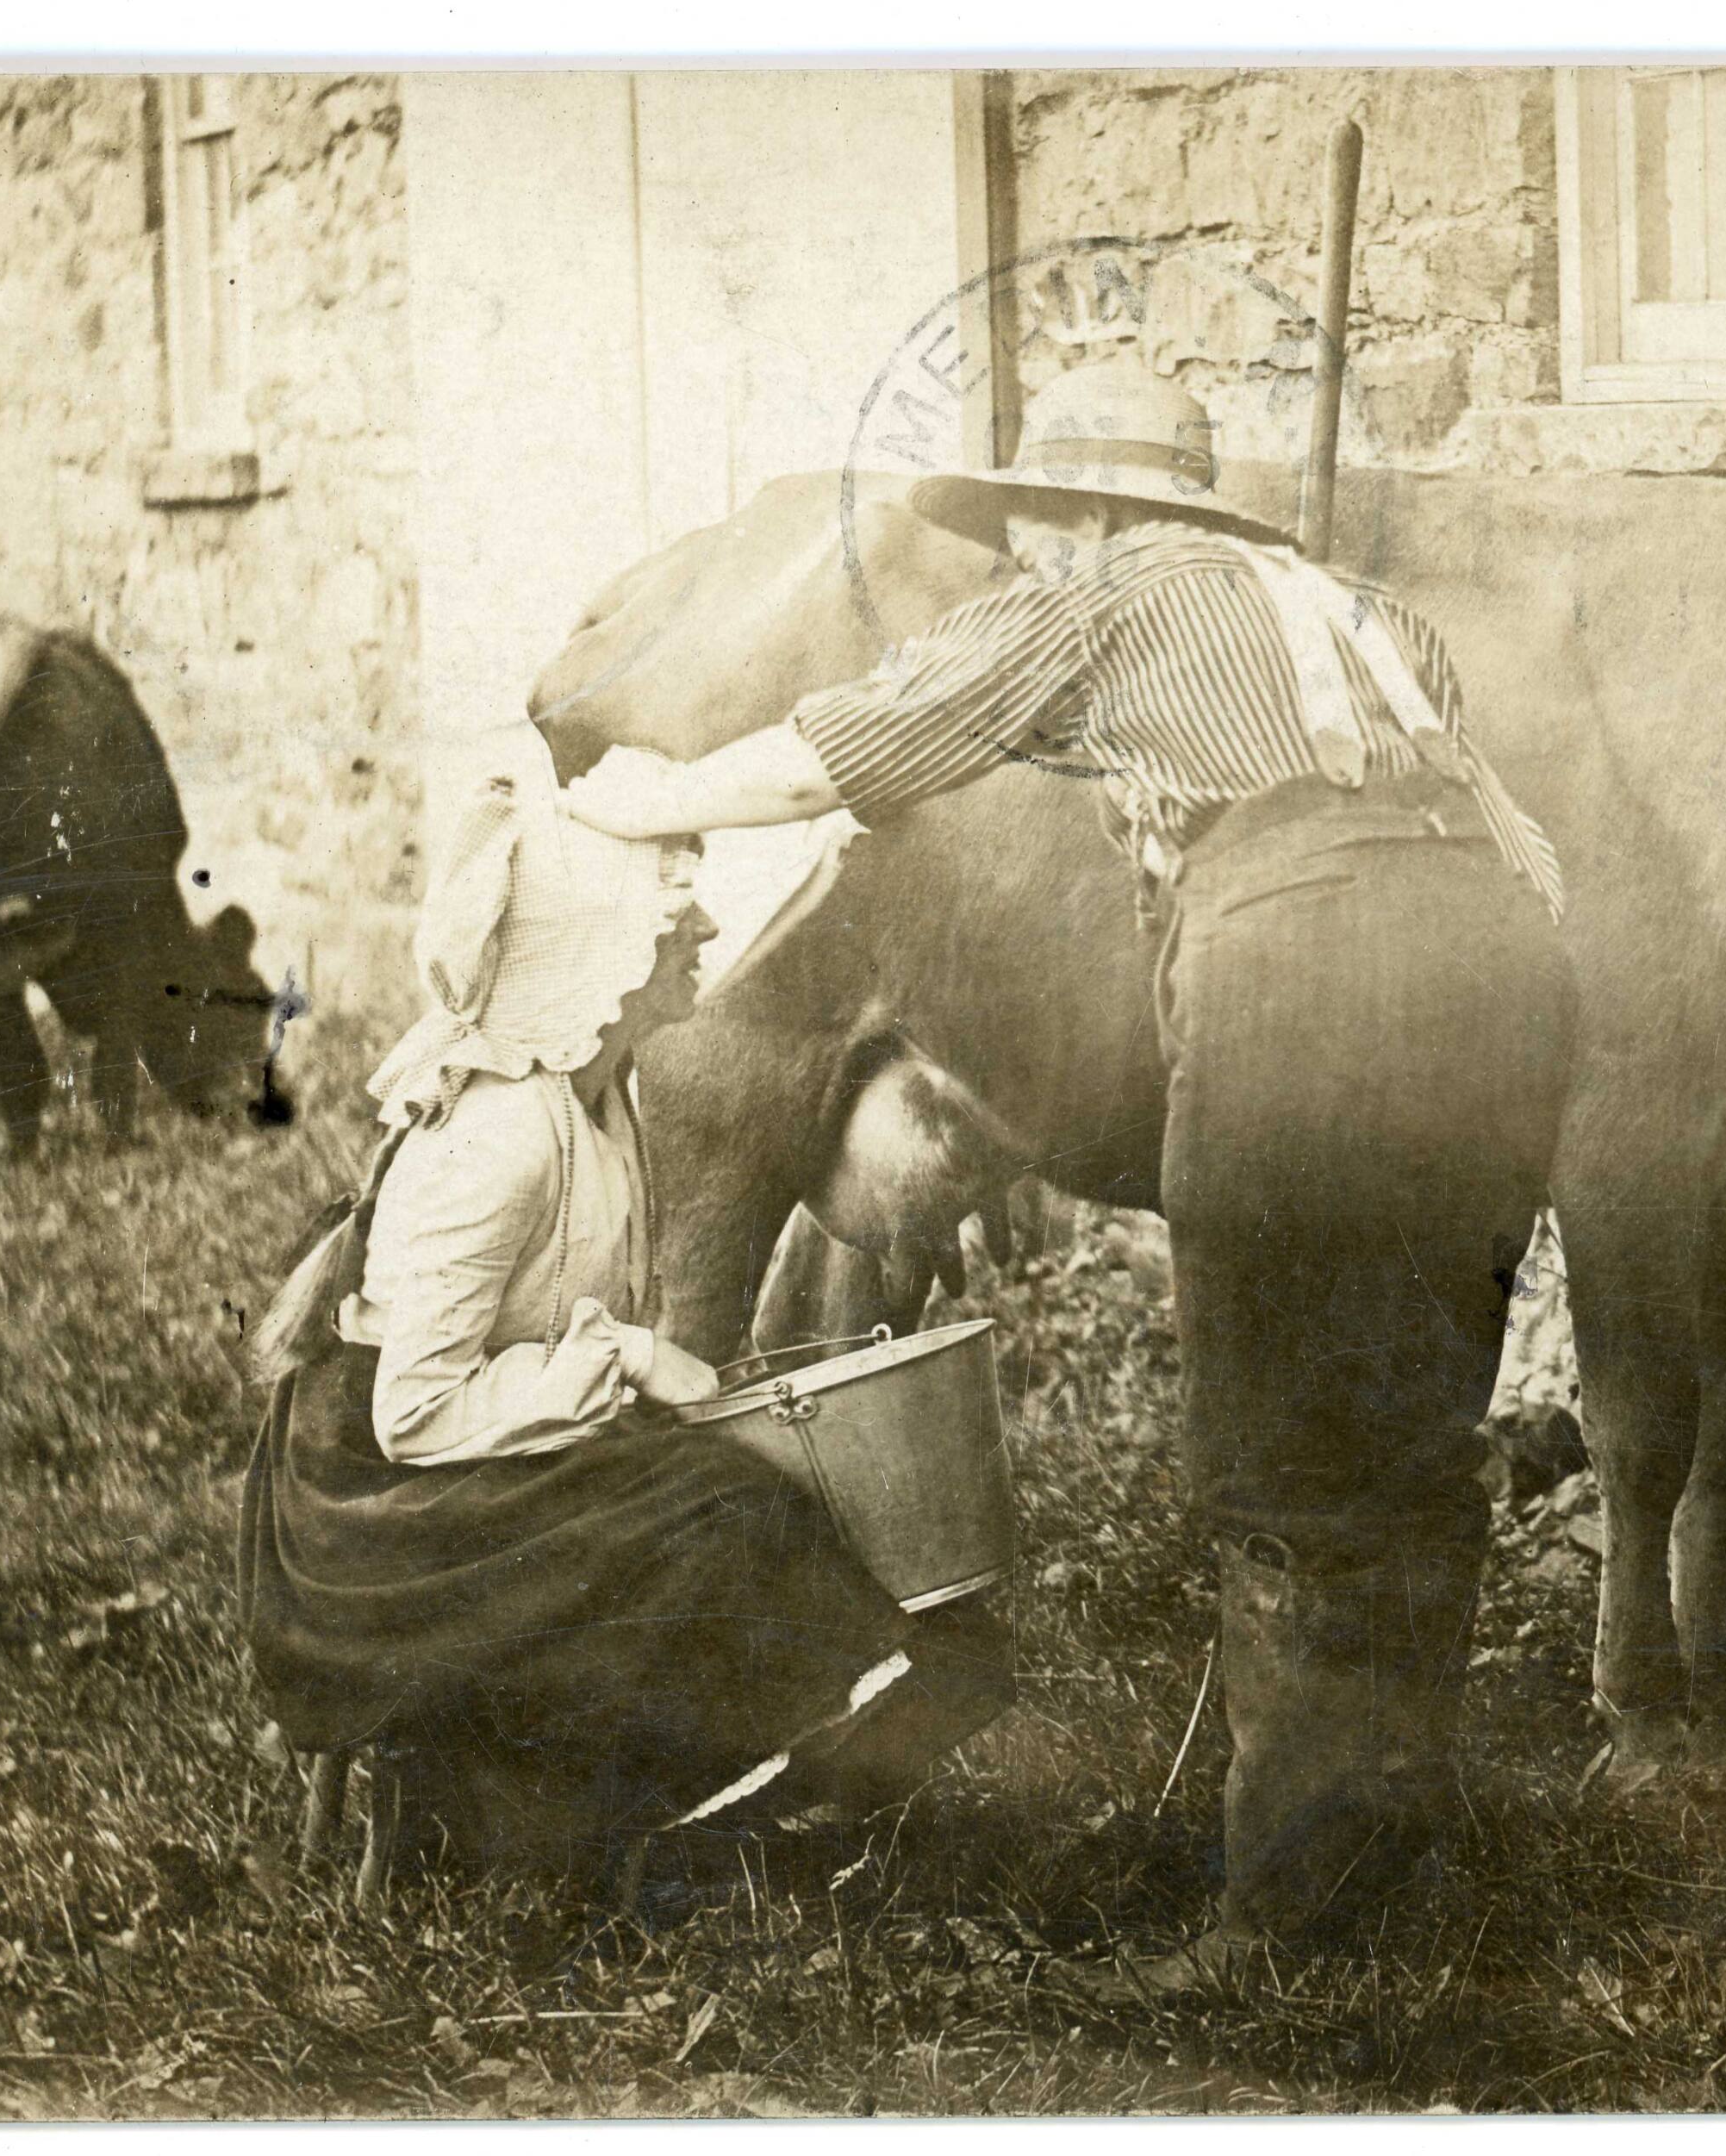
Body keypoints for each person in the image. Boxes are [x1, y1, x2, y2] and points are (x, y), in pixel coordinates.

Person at [564, 358, 1575, 1994]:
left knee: (1280, 1464)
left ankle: (1287, 1930)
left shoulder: (1101, 594)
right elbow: (1517, 846)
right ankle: (1396, 1853)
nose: (1020, 551)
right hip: (1510, 979)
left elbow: (844, 751)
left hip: (1303, 972)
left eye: (1032, 522)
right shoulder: (1370, 613)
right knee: (1411, 1440)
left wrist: (646, 801)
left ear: (1094, 515)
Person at [238, 726, 1010, 1880]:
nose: (706, 931)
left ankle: (737, 1775)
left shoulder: (599, 1100)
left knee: (733, 1492)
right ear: (597, 951)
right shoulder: (500, 1138)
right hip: (372, 1511)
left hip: (471, 1441)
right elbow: (413, 1411)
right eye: (672, 917)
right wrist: (632, 1360)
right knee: (718, 1520)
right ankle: (547, 1810)